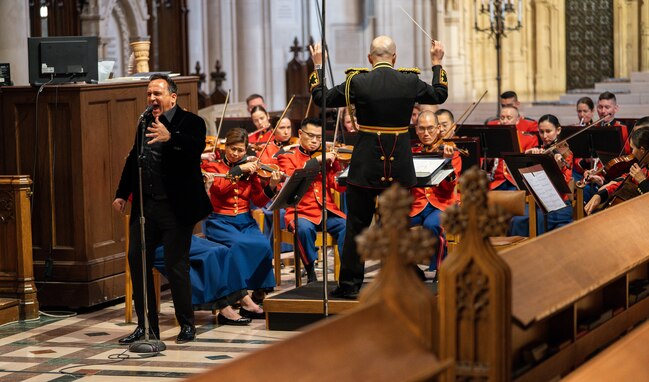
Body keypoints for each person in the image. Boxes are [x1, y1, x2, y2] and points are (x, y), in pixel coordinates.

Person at [309, 35, 448, 298]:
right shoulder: (409, 80)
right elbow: (440, 93)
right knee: (397, 226)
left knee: (357, 227)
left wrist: (318, 66)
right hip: (399, 166)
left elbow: (322, 98)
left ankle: (349, 286)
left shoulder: (356, 80)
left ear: (369, 58)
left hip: (365, 166)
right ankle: (405, 279)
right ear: (394, 58)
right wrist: (437, 62)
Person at [113, 74, 212, 344]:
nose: (153, 99)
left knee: (176, 264)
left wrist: (171, 138)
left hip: (176, 208)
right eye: (149, 94)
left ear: (172, 97)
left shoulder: (191, 122)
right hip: (146, 207)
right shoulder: (143, 122)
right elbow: (134, 158)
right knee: (137, 261)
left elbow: (195, 148)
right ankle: (147, 327)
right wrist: (122, 193)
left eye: (157, 93)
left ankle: (187, 324)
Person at [202, 128, 280, 302]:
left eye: (241, 150)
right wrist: (238, 170)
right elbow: (220, 189)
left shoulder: (250, 171)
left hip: (245, 221)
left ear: (246, 150)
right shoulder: (213, 167)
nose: (236, 154)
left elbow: (259, 201)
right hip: (219, 222)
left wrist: (272, 186)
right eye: (233, 149)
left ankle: (259, 291)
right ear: (225, 147)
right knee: (239, 245)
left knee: (263, 245)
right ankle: (240, 294)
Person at [277, 118, 347, 283]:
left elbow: (338, 187)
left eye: (319, 137)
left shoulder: (327, 156)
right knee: (303, 229)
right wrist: (317, 160)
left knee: (347, 226)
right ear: (300, 134)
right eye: (311, 136)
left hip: (327, 211)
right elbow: (292, 177)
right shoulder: (287, 156)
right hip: (299, 212)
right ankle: (311, 273)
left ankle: (347, 272)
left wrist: (341, 169)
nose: (315, 141)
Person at [152, 236, 262, 326]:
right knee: (210, 254)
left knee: (223, 250)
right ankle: (223, 307)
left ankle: (245, 301)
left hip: (180, 237)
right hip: (160, 244)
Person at [410, 111, 461, 272]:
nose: (426, 133)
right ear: (416, 130)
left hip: (442, 205)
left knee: (432, 225)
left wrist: (447, 161)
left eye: (430, 128)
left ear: (438, 128)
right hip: (417, 205)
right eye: (422, 129)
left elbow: (449, 188)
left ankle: (441, 271)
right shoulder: (411, 153)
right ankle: (412, 272)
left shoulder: (452, 152)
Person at [509, 114, 574, 235]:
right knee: (516, 221)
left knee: (537, 220)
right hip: (537, 202)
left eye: (548, 131)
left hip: (558, 203)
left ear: (558, 130)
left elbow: (563, 182)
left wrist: (558, 167)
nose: (545, 136)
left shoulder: (566, 153)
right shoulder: (537, 150)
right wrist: (527, 156)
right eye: (541, 132)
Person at [584, 128, 649, 215]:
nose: (632, 153)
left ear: (642, 150)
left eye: (632, 148)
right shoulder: (644, 164)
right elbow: (626, 178)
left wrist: (642, 181)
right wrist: (601, 194)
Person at [485, 106, 538, 190]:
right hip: (495, 181)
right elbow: (482, 162)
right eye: (502, 118)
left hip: (515, 181)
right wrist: (487, 159)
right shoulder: (492, 137)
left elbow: (530, 165)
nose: (505, 121)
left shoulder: (529, 138)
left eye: (509, 118)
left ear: (517, 120)